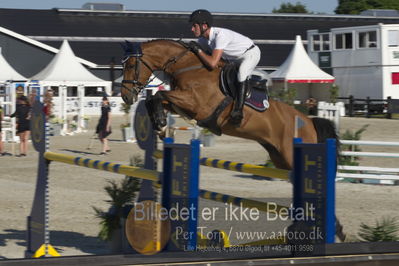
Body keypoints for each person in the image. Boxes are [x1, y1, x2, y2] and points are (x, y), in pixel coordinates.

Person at [188, 9, 261, 126]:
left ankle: (238, 111)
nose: (192, 29)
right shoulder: (203, 40)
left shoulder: (220, 36)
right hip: (234, 60)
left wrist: (198, 50)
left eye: (194, 26)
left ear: (204, 26)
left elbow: (212, 62)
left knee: (242, 73)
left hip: (250, 54)